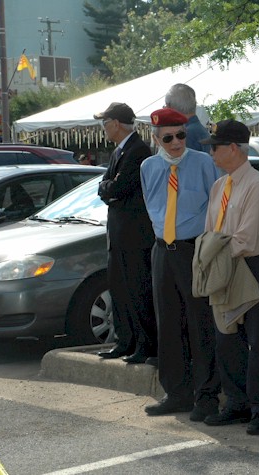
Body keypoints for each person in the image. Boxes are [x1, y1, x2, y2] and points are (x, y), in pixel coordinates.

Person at [139, 108, 221, 422]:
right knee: (169, 324)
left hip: (194, 250)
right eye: (168, 138)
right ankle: (176, 393)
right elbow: (151, 204)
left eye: (181, 136)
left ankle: (206, 395)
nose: (176, 143)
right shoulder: (148, 167)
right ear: (156, 139)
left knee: (200, 323)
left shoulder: (203, 163)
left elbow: (216, 206)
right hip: (163, 250)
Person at [201, 119, 259, 436]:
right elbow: (210, 231)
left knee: (256, 341)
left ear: (233, 148)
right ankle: (236, 403)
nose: (212, 153)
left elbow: (245, 238)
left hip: (253, 267)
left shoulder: (258, 184)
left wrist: (211, 255)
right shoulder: (220, 186)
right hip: (225, 267)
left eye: (216, 147)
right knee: (227, 338)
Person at [94, 102, 157, 365]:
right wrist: (109, 188)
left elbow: (118, 188)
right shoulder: (118, 151)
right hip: (118, 235)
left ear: (116, 123)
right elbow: (104, 186)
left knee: (138, 292)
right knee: (120, 291)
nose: (104, 129)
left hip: (134, 237)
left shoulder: (137, 150)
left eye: (105, 123)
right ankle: (125, 341)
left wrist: (109, 188)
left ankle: (145, 345)